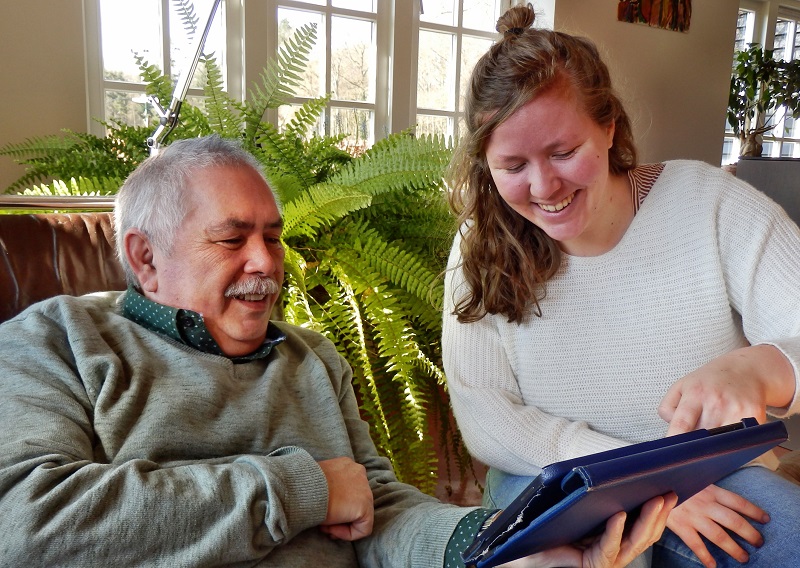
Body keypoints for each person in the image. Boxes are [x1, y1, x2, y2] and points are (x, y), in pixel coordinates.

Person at [0, 135, 675, 567]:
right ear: (145, 258)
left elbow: (379, 513)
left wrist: (492, 548)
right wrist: (304, 488)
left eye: (274, 234)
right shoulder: (53, 342)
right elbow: (24, 522)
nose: (268, 262)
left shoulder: (313, 358)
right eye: (232, 240)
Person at [442, 4, 800, 568]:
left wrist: (763, 367)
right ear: (484, 163)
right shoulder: (477, 248)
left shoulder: (712, 205)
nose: (544, 186)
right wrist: (636, 475)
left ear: (609, 126)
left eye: (564, 152)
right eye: (513, 165)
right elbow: (488, 419)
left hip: (714, 477)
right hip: (554, 477)